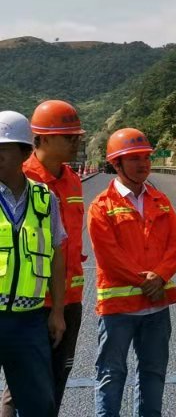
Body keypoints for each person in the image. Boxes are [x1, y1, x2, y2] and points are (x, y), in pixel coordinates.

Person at [88, 128, 176, 416]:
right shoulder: (102, 206)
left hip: (155, 309)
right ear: (116, 164)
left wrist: (162, 276)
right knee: (110, 375)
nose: (143, 163)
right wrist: (145, 281)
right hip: (118, 309)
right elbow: (108, 255)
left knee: (153, 375)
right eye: (134, 158)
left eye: (145, 157)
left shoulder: (161, 201)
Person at [1, 101, 85, 417]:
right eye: (69, 137)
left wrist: (61, 309)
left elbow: (61, 250)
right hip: (27, 307)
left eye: (77, 137)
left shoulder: (65, 185)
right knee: (18, 393)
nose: (76, 143)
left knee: (48, 392)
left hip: (58, 303)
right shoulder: (18, 175)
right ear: (42, 140)